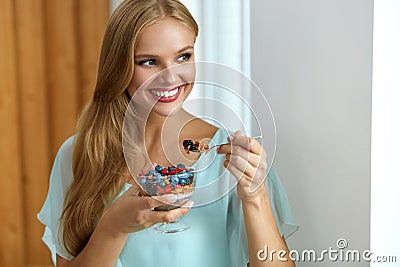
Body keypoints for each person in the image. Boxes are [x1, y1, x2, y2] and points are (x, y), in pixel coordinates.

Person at [37, 0, 298, 266]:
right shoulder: (79, 154)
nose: (171, 78)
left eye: (183, 57)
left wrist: (255, 198)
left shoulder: (231, 162)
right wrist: (113, 228)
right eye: (149, 62)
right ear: (118, 67)